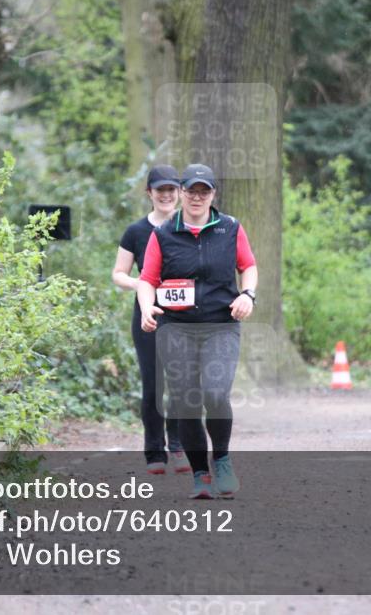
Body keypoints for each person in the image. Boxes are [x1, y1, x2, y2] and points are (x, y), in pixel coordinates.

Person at [136, 163, 257, 499]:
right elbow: (147, 279)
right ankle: (200, 474)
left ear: (213, 195)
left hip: (221, 325)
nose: (197, 197)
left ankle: (221, 460)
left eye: (204, 191)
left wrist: (248, 294)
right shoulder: (163, 235)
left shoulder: (230, 228)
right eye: (191, 190)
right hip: (177, 328)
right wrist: (148, 307)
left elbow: (248, 266)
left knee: (216, 394)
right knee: (185, 400)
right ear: (182, 193)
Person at [112, 165, 190, 475]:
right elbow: (118, 273)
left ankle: (178, 444)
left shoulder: (191, 227)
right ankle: (155, 453)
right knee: (153, 385)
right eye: (160, 190)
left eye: (172, 189)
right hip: (148, 316)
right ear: (150, 193)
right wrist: (142, 284)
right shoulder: (136, 231)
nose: (166, 195)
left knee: (183, 384)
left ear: (180, 193)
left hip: (185, 317)